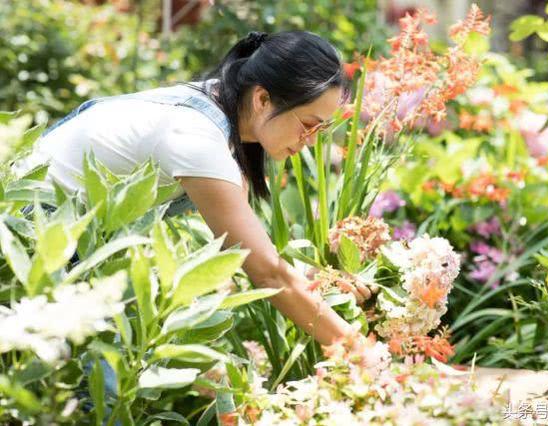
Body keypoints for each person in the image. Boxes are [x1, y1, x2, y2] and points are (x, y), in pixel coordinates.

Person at [11, 30, 375, 346]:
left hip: (63, 239)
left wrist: (321, 281)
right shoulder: (196, 136)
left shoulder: (220, 109)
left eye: (321, 131)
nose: (309, 142)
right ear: (263, 99)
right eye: (309, 125)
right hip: (24, 237)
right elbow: (265, 271)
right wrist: (365, 356)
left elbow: (248, 251)